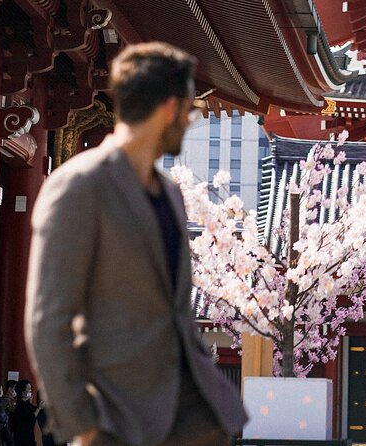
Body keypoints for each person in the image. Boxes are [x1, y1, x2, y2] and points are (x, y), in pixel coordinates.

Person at [24, 41, 247, 446]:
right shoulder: (78, 187)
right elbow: (48, 318)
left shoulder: (172, 194)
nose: (191, 119)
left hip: (190, 412)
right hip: (118, 415)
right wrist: (83, 424)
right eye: (189, 109)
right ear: (168, 108)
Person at [10, 380, 44, 446]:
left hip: (29, 436)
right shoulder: (20, 405)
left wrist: (41, 407)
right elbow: (31, 420)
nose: (30, 391)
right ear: (23, 392)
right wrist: (39, 408)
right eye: (29, 389)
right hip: (23, 438)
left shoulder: (27, 403)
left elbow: (35, 410)